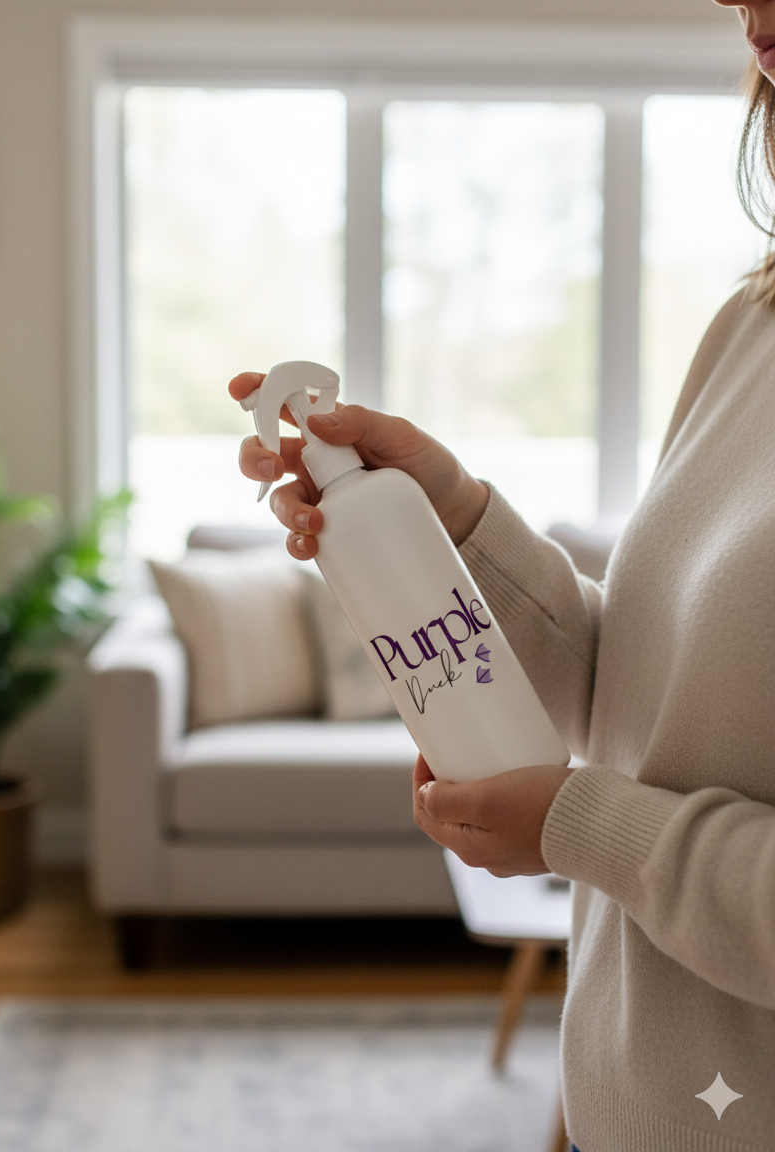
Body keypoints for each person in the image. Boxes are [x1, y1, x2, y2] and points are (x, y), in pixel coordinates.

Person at [230, 3, 775, 1147]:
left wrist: (582, 826)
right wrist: (453, 520)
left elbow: (615, 792)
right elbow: (640, 705)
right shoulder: (749, 324)